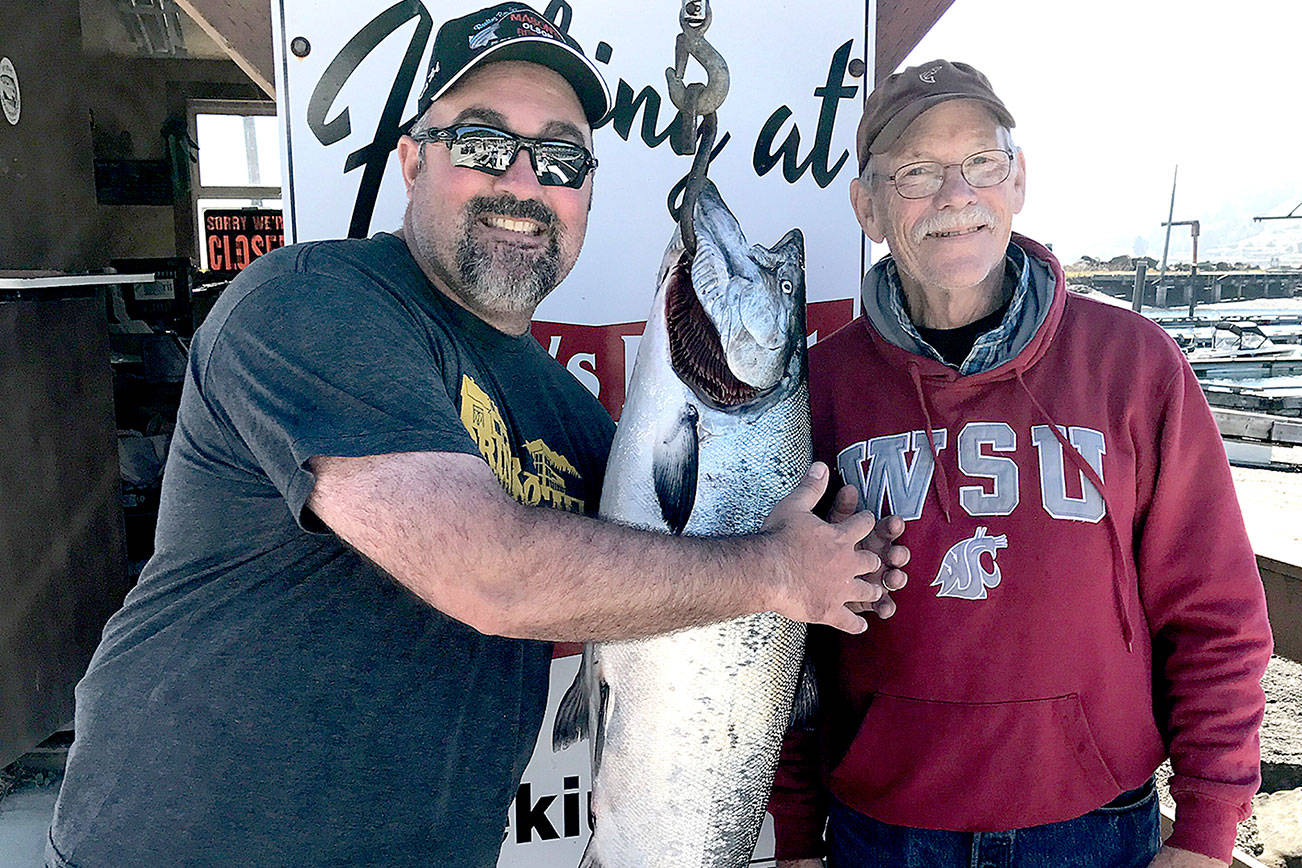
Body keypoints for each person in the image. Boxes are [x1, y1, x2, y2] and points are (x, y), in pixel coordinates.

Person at [46, 5, 906, 867]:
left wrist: (841, 557)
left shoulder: (567, 415)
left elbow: (664, 572)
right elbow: (490, 574)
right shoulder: (313, 303)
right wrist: (776, 573)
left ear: (587, 193)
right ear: (413, 160)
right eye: (485, 145)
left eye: (561, 158)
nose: (524, 183)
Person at [770, 59, 1273, 868]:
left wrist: (1209, 830)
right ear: (867, 207)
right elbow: (782, 643)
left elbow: (1215, 612)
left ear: (1019, 179)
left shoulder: (1134, 365)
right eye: (917, 172)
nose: (955, 194)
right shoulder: (819, 391)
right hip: (883, 834)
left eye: (982, 162)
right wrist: (793, 831)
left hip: (1097, 827)